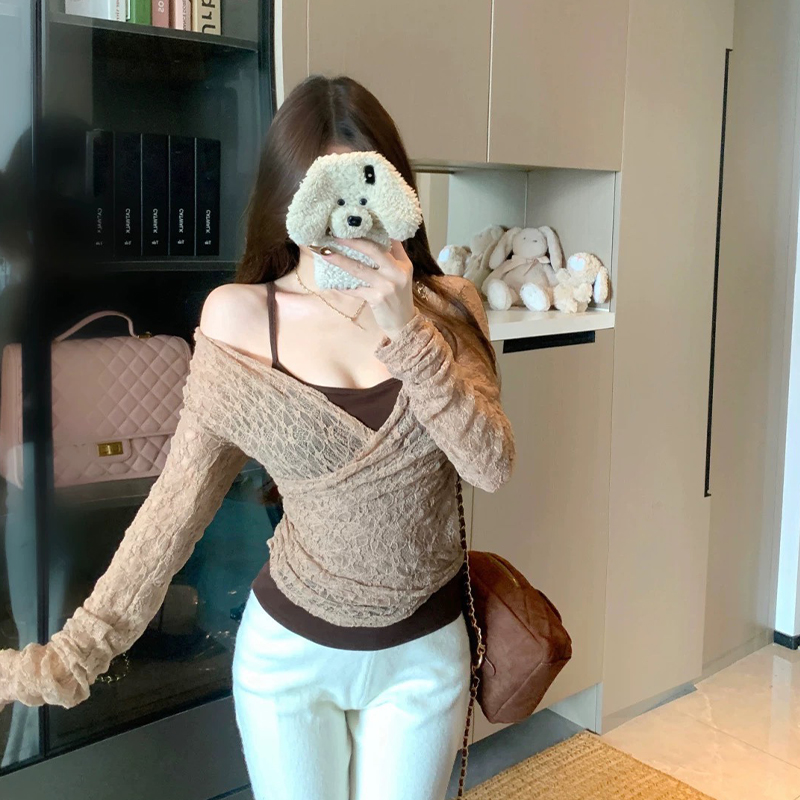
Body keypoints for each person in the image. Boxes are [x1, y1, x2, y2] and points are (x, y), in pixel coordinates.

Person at [0, 75, 516, 800]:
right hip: (290, 659)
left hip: (425, 656)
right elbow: (177, 506)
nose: (348, 220)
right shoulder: (241, 318)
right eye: (324, 194)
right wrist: (77, 652)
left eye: (366, 189)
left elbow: (490, 465)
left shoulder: (450, 308)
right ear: (287, 201)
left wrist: (406, 329)